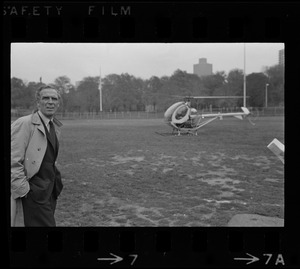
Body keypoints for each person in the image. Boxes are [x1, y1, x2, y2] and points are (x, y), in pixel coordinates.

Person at [11, 85, 64, 227]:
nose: (50, 102)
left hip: (50, 191)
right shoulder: (25, 123)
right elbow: (13, 160)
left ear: (58, 103)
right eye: (46, 98)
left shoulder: (53, 126)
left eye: (54, 98)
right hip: (33, 193)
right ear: (38, 102)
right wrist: (23, 190)